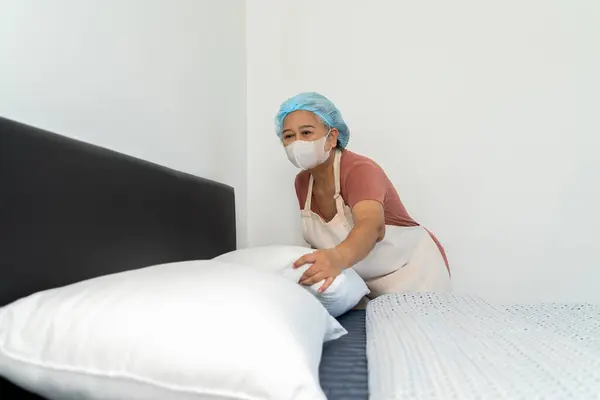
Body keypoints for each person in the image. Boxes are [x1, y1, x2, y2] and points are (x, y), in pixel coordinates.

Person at [275, 92, 451, 298]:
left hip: (413, 272)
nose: (297, 143)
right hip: (365, 282)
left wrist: (336, 258)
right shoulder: (302, 182)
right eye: (288, 136)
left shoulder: (359, 170)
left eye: (306, 133)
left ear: (331, 137)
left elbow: (371, 226)